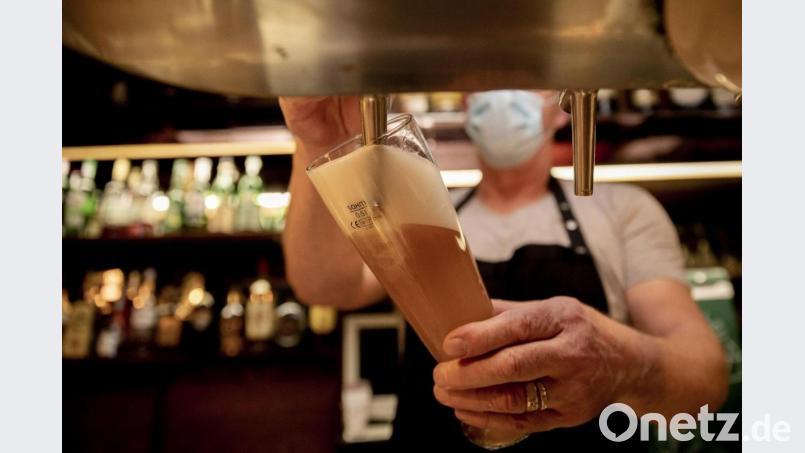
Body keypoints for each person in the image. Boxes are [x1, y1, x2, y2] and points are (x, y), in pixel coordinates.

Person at [279, 91, 728, 451]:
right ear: (466, 104)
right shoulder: (425, 213)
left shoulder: (622, 210)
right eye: (484, 83)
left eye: (525, 78)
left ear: (562, 103)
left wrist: (617, 364)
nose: (502, 93)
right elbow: (325, 286)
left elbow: (704, 383)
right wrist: (318, 144)